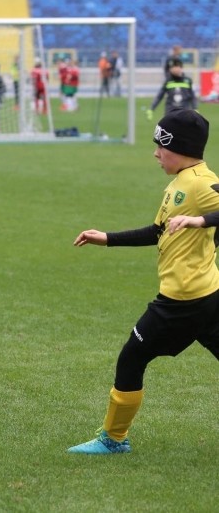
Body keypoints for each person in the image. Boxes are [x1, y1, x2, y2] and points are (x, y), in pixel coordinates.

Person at [68, 109, 219, 455]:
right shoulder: (181, 181)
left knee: (132, 357)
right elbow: (157, 232)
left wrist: (201, 220)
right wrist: (106, 238)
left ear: (178, 146)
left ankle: (113, 439)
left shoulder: (200, 183)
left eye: (160, 146)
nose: (155, 153)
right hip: (208, 293)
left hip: (182, 302)